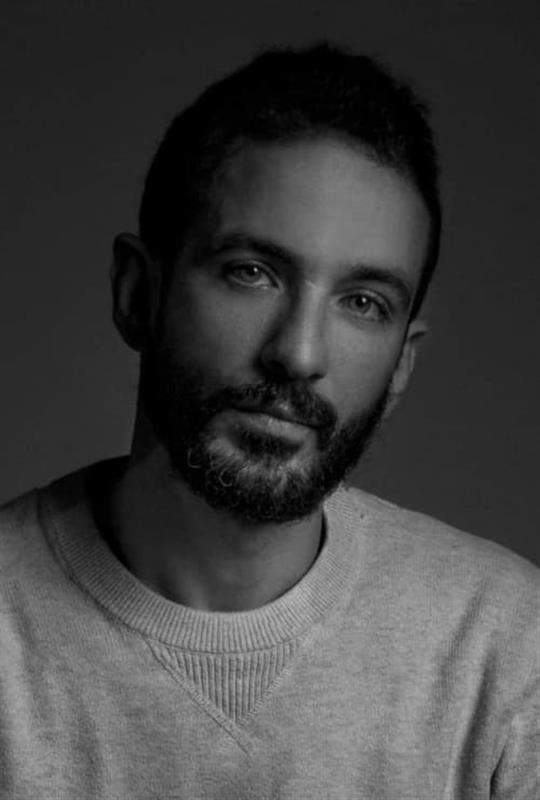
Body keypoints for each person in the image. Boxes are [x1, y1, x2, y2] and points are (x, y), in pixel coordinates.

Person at [0, 43, 538, 800]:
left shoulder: (508, 649)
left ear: (401, 365)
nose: (299, 354)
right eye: (252, 273)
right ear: (137, 293)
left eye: (363, 303)